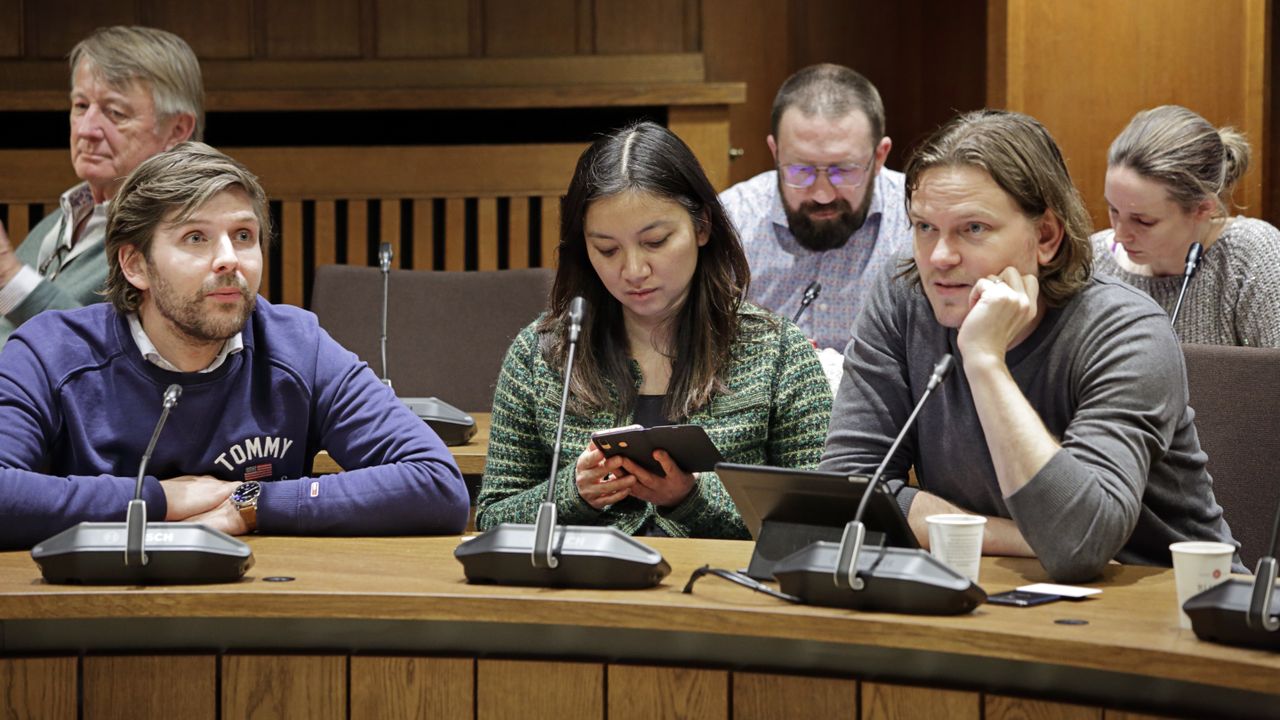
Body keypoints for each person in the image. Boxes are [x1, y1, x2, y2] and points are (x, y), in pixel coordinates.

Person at [820, 110, 1238, 582]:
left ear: (1046, 236)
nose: (939, 257)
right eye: (924, 227)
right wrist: (1015, 536)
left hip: (1171, 599)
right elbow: (847, 492)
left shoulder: (1127, 331)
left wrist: (985, 362)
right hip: (996, 583)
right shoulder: (905, 297)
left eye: (973, 229)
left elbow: (1077, 545)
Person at [0, 142, 469, 549]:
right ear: (135, 265)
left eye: (243, 236)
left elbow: (437, 483)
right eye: (195, 237)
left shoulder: (298, 347)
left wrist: (251, 504)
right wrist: (158, 498)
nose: (229, 259)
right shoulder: (48, 353)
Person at [477, 122, 832, 538]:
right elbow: (492, 518)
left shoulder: (777, 350)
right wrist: (574, 494)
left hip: (718, 579)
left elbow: (820, 519)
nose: (633, 270)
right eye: (607, 249)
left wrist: (692, 498)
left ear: (702, 226)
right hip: (584, 578)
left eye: (656, 241)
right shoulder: (545, 351)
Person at [0, 26, 203, 347]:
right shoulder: (63, 218)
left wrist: (9, 276)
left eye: (115, 112)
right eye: (81, 106)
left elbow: (115, 357)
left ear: (177, 130)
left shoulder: (180, 237)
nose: (86, 129)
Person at [719, 64, 911, 351]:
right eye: (801, 169)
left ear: (880, 157)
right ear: (775, 152)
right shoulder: (732, 220)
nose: (822, 195)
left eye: (844, 170)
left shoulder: (919, 220)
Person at [1092, 105, 1280, 347]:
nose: (1119, 236)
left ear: (1203, 208)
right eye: (1113, 210)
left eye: (1143, 221)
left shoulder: (1252, 256)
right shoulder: (1094, 261)